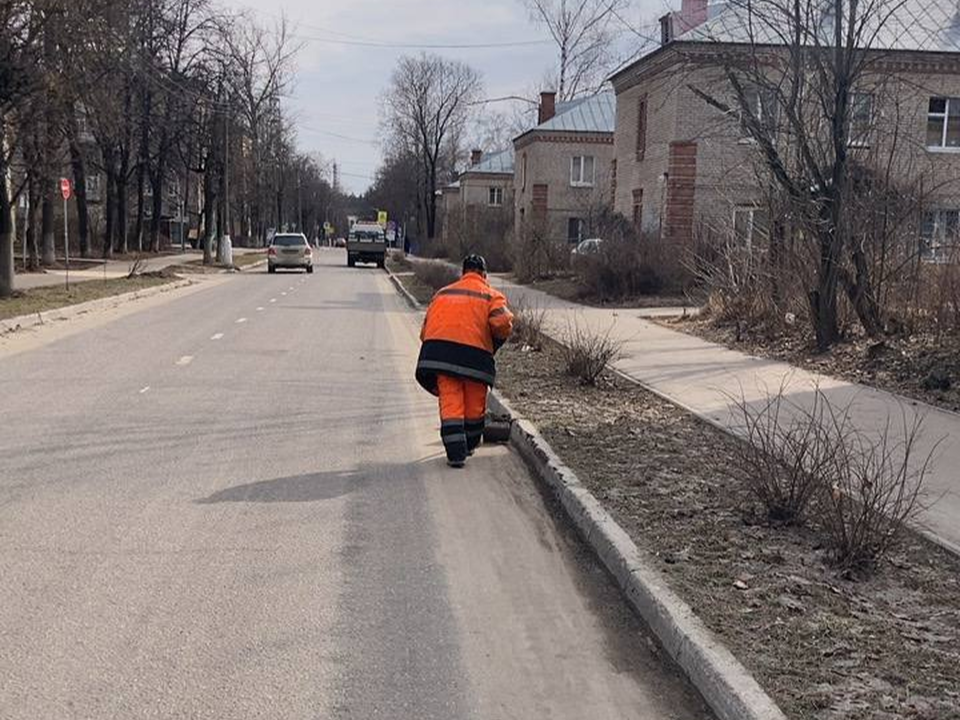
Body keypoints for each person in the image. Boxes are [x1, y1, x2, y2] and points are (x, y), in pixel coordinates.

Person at [416, 255, 513, 468]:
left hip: (440, 355)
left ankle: (455, 454)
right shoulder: (491, 296)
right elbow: (504, 323)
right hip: (475, 359)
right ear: (484, 274)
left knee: (450, 403)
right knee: (473, 405)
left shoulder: (442, 294)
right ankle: (468, 444)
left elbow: (425, 332)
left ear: (463, 272)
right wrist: (493, 341)